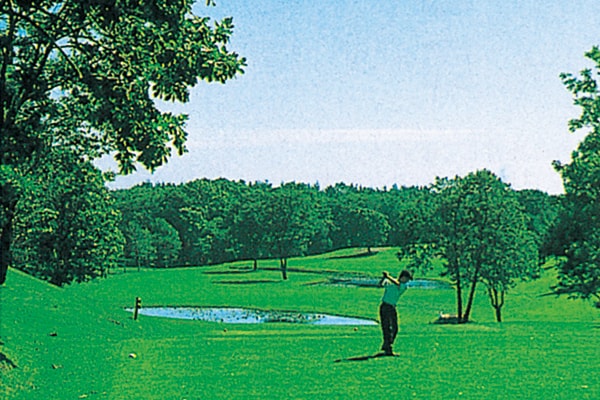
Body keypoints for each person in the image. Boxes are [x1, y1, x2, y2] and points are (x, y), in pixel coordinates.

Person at [378, 269, 412, 355]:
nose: (408, 281)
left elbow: (397, 284)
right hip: (385, 306)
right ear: (402, 277)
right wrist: (384, 278)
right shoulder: (390, 282)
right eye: (407, 278)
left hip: (392, 307)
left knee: (395, 328)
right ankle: (388, 348)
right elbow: (380, 285)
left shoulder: (404, 286)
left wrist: (387, 276)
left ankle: (387, 345)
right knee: (386, 328)